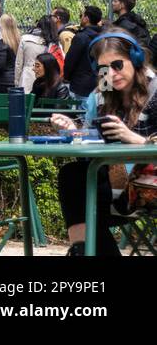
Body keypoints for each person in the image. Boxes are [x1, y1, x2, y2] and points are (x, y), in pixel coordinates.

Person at [49, 33, 157, 255]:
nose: (112, 74)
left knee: (87, 204)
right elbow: (89, 148)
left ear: (135, 59)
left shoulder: (154, 90)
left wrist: (136, 139)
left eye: (117, 64)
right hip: (114, 186)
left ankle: (83, 250)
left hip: (149, 185)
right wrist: (74, 132)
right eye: (104, 69)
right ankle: (81, 250)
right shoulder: (101, 95)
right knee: (71, 175)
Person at [64, 6, 105, 97]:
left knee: (80, 110)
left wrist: (66, 77)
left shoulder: (81, 37)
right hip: (101, 85)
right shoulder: (105, 37)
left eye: (81, 15)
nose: (81, 18)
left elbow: (70, 60)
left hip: (81, 85)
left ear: (86, 18)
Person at [15, 15, 52, 93]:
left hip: (26, 75)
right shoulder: (50, 41)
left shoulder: (25, 38)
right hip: (44, 77)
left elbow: (18, 63)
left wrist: (17, 81)